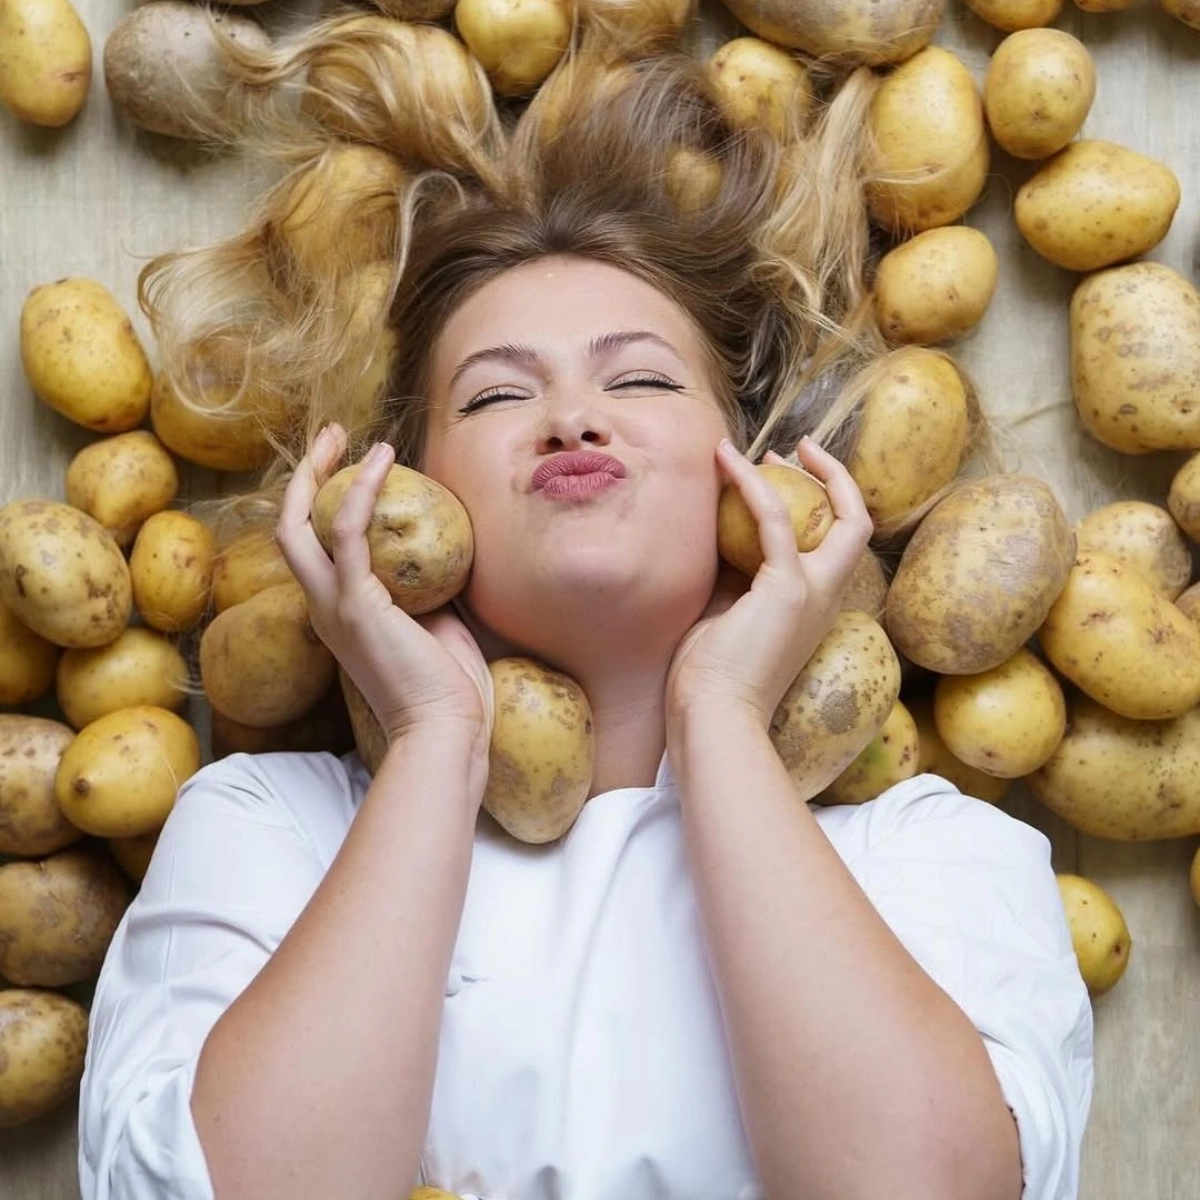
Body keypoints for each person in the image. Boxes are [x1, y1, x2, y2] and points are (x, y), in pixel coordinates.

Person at [77, 21, 1092, 1200]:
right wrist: (433, 741)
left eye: (643, 378)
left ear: (751, 470)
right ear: (401, 487)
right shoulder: (267, 828)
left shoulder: (931, 852)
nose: (571, 417)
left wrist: (719, 714)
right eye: (499, 391)